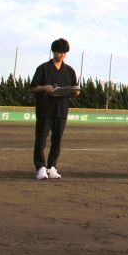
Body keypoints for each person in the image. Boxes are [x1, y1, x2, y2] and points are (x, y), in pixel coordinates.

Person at [30, 38, 79, 180]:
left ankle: (52, 167)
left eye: (64, 53)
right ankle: (40, 168)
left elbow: (75, 88)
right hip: (45, 109)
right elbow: (34, 87)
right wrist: (45, 87)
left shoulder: (69, 71)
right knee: (41, 139)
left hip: (61, 110)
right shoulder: (43, 68)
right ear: (53, 52)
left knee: (57, 140)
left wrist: (75, 92)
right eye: (59, 52)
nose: (62, 55)